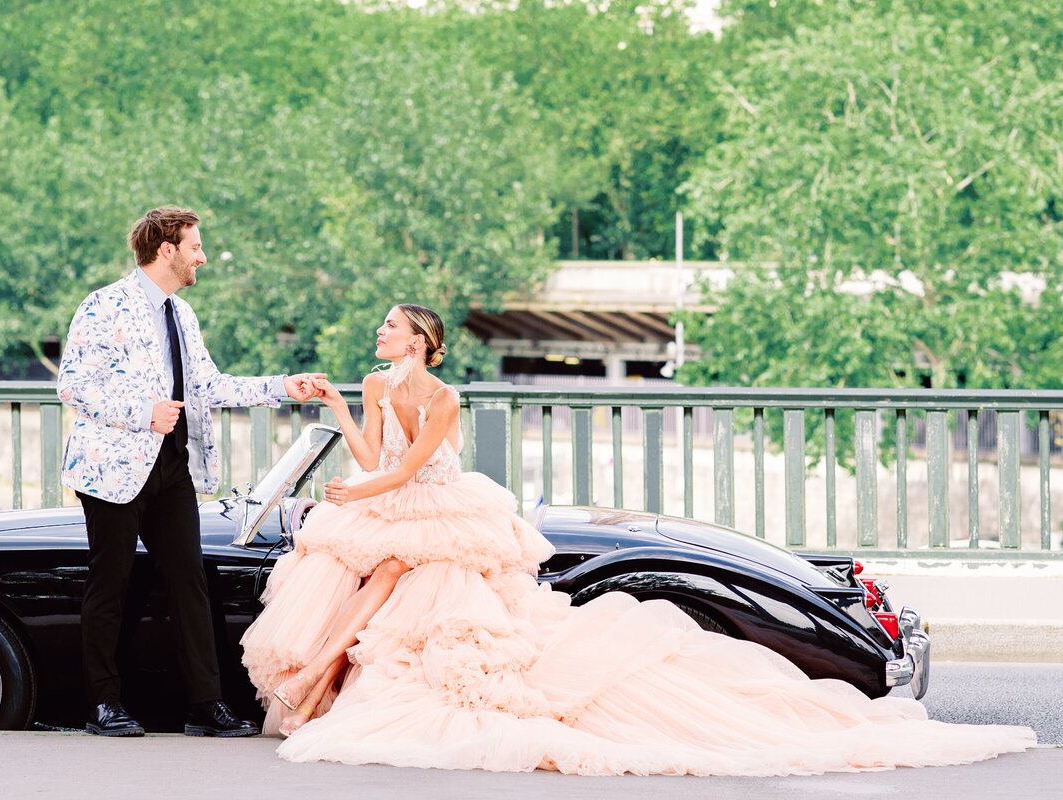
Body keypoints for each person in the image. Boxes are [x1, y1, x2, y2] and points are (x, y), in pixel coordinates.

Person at [240, 304, 1037, 775]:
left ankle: (315, 678)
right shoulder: (377, 383)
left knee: (405, 584)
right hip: (395, 502)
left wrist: (359, 492)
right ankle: (316, 678)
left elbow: (408, 468)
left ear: (418, 339)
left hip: (440, 509)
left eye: (389, 326)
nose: (378, 333)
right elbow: (375, 456)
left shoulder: (442, 398)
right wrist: (342, 412)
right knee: (377, 572)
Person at [58, 206, 322, 738]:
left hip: (172, 467)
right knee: (111, 582)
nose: (202, 256)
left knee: (190, 582)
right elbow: (72, 385)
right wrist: (142, 413)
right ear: (167, 250)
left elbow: (209, 386)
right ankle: (103, 705)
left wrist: (280, 386)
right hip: (113, 469)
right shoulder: (104, 305)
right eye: (195, 247)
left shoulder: (183, 314)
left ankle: (205, 705)